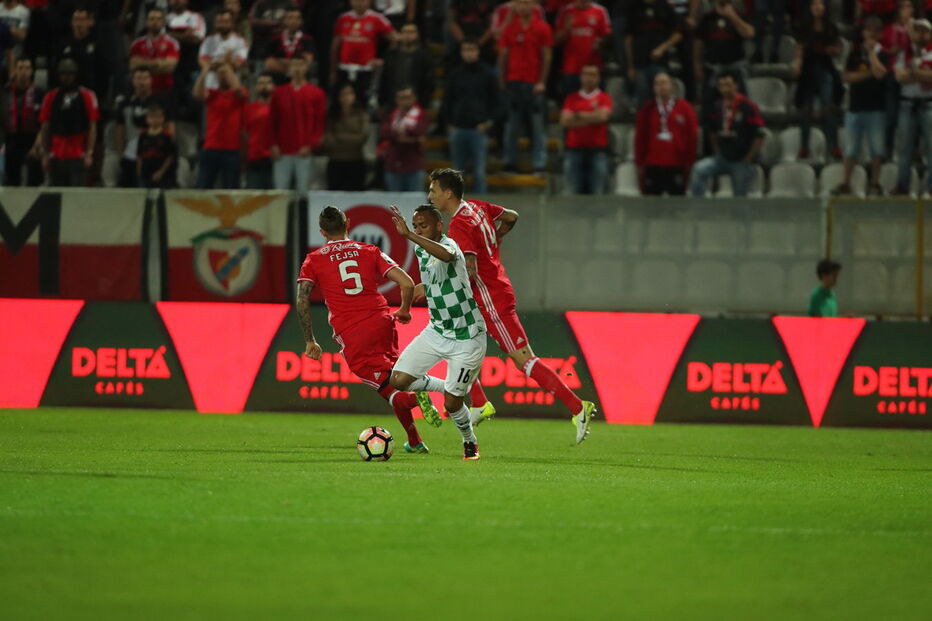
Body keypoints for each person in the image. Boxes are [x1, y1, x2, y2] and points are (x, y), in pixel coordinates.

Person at [429, 168, 597, 443]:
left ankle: (578, 407)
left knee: (524, 360)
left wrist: (450, 282)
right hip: (490, 294)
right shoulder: (478, 208)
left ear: (448, 193)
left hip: (490, 299)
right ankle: (480, 403)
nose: (430, 195)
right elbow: (511, 217)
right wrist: (496, 239)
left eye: (434, 190)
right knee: (456, 340)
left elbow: (469, 269)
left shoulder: (460, 225)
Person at [296, 205, 439, 454]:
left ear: (322, 232)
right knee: (394, 381)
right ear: (348, 223)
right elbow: (406, 282)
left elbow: (302, 299)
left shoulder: (315, 259)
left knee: (390, 389)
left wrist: (310, 340)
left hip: (353, 332)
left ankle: (420, 395)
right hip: (383, 322)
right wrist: (404, 310)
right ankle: (414, 441)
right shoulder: (370, 250)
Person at [388, 204, 488, 460]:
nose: (419, 229)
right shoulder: (420, 248)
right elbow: (428, 285)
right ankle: (446, 387)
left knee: (453, 405)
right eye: (416, 226)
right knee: (398, 380)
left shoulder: (449, 245)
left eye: (424, 225)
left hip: (467, 336)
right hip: (437, 331)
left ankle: (469, 441)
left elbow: (445, 256)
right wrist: (405, 308)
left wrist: (410, 235)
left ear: (438, 226)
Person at [498, 0, 552, 174]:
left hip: (533, 83)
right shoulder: (510, 28)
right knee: (512, 125)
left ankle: (539, 163)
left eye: (528, 3)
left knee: (537, 126)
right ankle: (510, 162)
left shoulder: (542, 27)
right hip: (514, 81)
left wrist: (542, 81)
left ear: (534, 6)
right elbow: (503, 55)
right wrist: (502, 79)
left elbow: (547, 56)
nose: (524, 7)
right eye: (521, 3)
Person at [834, 17, 887, 196]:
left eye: (875, 31)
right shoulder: (855, 54)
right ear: (863, 32)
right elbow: (847, 77)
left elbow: (880, 74)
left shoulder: (884, 54)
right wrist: (868, 74)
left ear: (879, 34)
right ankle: (845, 183)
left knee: (876, 149)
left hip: (876, 109)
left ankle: (875, 183)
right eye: (868, 30)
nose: (870, 34)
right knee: (850, 149)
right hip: (855, 108)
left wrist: (872, 54)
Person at [689, 71, 764, 197]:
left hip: (741, 160)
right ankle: (699, 206)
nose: (724, 88)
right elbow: (712, 131)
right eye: (721, 85)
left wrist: (749, 158)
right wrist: (717, 151)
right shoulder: (717, 107)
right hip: (721, 158)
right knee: (699, 169)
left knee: (739, 192)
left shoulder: (748, 107)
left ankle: (739, 215)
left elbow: (759, 135)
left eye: (728, 85)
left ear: (736, 86)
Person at [442, 38, 499, 195]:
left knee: (479, 172)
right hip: (458, 128)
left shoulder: (487, 74)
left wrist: (488, 122)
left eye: (472, 49)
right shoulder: (455, 74)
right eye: (465, 50)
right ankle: (458, 209)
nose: (468, 53)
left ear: (477, 52)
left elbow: (496, 100)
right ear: (461, 53)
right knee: (456, 174)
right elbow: (447, 101)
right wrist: (450, 123)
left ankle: (480, 212)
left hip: (479, 129)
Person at [34, 58, 98, 187]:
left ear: (76, 75)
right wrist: (45, 154)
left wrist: (89, 153)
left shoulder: (87, 95)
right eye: (63, 74)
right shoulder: (50, 96)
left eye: (70, 74)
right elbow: (45, 126)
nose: (66, 78)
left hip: (78, 153)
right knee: (56, 196)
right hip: (56, 154)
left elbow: (92, 126)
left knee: (76, 196)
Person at [792, 0, 842, 160]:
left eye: (820, 5)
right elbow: (799, 48)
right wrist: (797, 63)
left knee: (828, 108)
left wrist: (831, 50)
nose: (817, 8)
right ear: (810, 8)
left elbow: (837, 49)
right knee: (806, 110)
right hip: (807, 71)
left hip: (825, 69)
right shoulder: (804, 27)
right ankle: (804, 146)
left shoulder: (831, 27)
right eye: (814, 5)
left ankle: (834, 146)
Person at [269, 54, 326, 193]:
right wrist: (273, 144)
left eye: (301, 64)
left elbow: (320, 123)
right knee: (281, 192)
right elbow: (272, 121)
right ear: (290, 67)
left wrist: (311, 145)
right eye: (294, 64)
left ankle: (302, 215)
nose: (297, 68)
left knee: (304, 192)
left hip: (304, 151)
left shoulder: (317, 93)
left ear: (306, 67)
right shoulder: (279, 93)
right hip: (282, 151)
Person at [635, 71, 698, 195]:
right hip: (652, 163)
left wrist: (690, 161)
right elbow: (640, 138)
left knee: (677, 206)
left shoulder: (685, 108)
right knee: (650, 206)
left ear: (672, 86)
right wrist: (639, 162)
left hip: (677, 163)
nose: (661, 86)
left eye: (664, 82)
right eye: (657, 84)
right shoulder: (647, 109)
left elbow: (693, 136)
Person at [114, 66, 175, 188]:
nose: (142, 82)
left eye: (145, 78)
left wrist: (169, 148)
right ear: (133, 81)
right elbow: (120, 129)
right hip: (130, 155)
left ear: (151, 80)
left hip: (156, 155)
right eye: (138, 78)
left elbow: (170, 128)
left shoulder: (161, 101)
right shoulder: (124, 102)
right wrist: (121, 153)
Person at [893, 18, 932, 195]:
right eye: (917, 31)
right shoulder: (904, 53)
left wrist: (914, 73)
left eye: (924, 31)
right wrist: (921, 74)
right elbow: (900, 78)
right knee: (904, 149)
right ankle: (903, 185)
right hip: (907, 104)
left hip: (928, 104)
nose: (921, 34)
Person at [559, 63, 612, 194]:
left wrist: (578, 115)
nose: (589, 78)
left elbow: (602, 117)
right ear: (581, 77)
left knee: (597, 192)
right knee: (571, 191)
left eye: (593, 75)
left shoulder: (604, 98)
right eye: (586, 74)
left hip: (598, 150)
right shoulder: (572, 98)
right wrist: (593, 118)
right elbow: (565, 121)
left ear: (598, 77)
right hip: (574, 149)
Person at [330, 0, 394, 105]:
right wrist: (333, 71)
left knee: (362, 101)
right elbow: (335, 46)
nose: (360, 3)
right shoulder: (343, 18)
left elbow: (394, 39)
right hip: (344, 68)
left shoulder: (377, 18)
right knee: (341, 102)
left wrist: (383, 60)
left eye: (363, 0)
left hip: (365, 69)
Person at [193, 62, 246, 189]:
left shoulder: (240, 94)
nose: (223, 76)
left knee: (231, 189)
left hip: (232, 149)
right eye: (220, 74)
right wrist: (205, 70)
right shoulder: (212, 94)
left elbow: (238, 90)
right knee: (203, 187)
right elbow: (197, 93)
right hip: (211, 147)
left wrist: (228, 69)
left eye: (225, 73)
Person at [694, 0, 754, 109]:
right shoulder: (707, 18)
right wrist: (697, 65)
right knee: (708, 104)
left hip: (735, 69)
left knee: (742, 104)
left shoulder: (739, 15)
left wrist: (733, 17)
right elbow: (698, 44)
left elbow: (750, 34)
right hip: (713, 68)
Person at [625, 0, 682, 105]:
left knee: (664, 96)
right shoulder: (634, 7)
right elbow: (629, 39)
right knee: (642, 100)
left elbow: (677, 34)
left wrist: (662, 48)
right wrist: (630, 66)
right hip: (639, 62)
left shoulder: (665, 7)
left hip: (660, 61)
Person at [554, 0, 611, 96]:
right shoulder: (565, 11)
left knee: (595, 102)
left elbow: (607, 35)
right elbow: (555, 39)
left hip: (593, 67)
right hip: (571, 67)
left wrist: (600, 41)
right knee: (571, 102)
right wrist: (566, 29)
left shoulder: (600, 11)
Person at [2, 57, 43, 186]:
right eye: (20, 68)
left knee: (34, 179)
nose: (23, 72)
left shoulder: (39, 92)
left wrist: (39, 141)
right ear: (14, 71)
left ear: (31, 71)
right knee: (11, 179)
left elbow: (45, 121)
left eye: (27, 68)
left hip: (33, 138)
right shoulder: (5, 92)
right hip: (11, 138)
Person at [323, 82, 369, 191]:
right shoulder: (332, 115)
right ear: (338, 97)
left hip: (355, 160)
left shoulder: (362, 114)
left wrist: (339, 137)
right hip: (335, 161)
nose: (347, 97)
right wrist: (350, 138)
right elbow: (328, 139)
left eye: (350, 93)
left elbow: (362, 138)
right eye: (343, 94)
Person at [381, 85, 428, 191]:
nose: (405, 101)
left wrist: (398, 135)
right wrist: (410, 138)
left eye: (408, 97)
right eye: (401, 98)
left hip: (413, 166)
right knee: (394, 204)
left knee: (415, 203)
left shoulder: (420, 115)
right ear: (396, 100)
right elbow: (385, 132)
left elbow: (419, 131)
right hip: (393, 165)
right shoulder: (391, 115)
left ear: (414, 98)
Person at [166, 0, 206, 120]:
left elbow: (197, 39)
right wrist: (186, 35)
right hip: (171, 67)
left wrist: (171, 35)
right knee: (171, 105)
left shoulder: (196, 17)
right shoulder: (164, 18)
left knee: (195, 102)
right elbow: (161, 37)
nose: (177, 1)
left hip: (192, 66)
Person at [379, 22, 433, 111]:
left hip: (416, 104)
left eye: (412, 32)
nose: (408, 35)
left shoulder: (424, 56)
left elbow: (428, 82)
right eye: (405, 32)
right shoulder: (391, 55)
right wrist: (382, 102)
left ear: (417, 35)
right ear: (400, 34)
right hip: (393, 102)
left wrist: (424, 103)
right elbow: (384, 79)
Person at [129, 8, 181, 96]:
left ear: (163, 22)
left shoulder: (172, 43)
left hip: (165, 89)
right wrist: (159, 63)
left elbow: (170, 68)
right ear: (146, 22)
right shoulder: (137, 43)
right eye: (151, 19)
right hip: (142, 90)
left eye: (158, 19)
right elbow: (133, 66)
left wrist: (144, 65)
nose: (155, 22)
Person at [55, 8, 103, 100]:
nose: (79, 24)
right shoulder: (64, 44)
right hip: (65, 94)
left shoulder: (97, 45)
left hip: (90, 95)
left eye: (82, 20)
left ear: (90, 22)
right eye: (76, 20)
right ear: (71, 22)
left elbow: (102, 73)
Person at [198, 9, 249, 89]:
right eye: (219, 22)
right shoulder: (208, 40)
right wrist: (227, 59)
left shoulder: (240, 41)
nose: (222, 24)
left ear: (232, 24)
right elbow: (204, 64)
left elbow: (237, 65)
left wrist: (215, 62)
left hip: (232, 85)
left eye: (226, 21)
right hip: (210, 85)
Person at [263, 7, 314, 85]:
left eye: (297, 18)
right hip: (278, 83)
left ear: (301, 21)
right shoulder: (274, 39)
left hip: (300, 84)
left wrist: (280, 62)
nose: (294, 21)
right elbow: (269, 65)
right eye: (290, 18)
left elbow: (307, 64)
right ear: (284, 20)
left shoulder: (307, 40)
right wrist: (296, 66)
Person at [243, 72, 274, 189]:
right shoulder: (249, 109)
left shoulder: (279, 108)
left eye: (268, 83)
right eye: (261, 83)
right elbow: (245, 134)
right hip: (254, 158)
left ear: (273, 86)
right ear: (256, 87)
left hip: (275, 159)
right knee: (255, 199)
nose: (264, 86)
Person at [136, 103, 176, 188]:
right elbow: (139, 154)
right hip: (145, 173)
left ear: (163, 118)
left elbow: (170, 156)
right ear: (147, 119)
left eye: (158, 117)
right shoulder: (143, 135)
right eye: (152, 117)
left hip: (162, 174)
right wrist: (139, 171)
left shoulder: (167, 136)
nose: (155, 120)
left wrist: (161, 172)